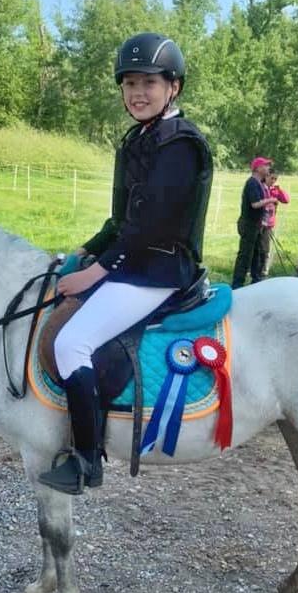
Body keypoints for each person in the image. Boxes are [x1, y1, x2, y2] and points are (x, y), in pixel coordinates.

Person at [38, 32, 213, 495]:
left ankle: (85, 461)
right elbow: (124, 219)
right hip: (137, 263)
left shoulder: (180, 144)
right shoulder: (141, 138)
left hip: (159, 271)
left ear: (173, 86)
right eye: (130, 83)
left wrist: (96, 272)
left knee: (71, 343)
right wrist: (85, 250)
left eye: (149, 83)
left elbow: (153, 224)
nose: (138, 92)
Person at [230, 157, 277, 289]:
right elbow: (255, 204)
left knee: (257, 253)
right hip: (249, 224)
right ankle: (237, 284)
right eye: (266, 165)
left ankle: (256, 281)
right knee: (245, 255)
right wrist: (270, 200)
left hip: (256, 224)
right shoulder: (252, 183)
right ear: (258, 168)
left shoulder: (258, 183)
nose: (268, 168)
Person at [259, 170, 290, 278]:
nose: (273, 180)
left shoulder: (275, 190)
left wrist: (279, 190)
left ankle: (264, 270)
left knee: (266, 248)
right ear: (266, 176)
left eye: (275, 179)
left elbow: (286, 200)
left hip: (269, 223)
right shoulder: (260, 187)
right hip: (258, 222)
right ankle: (251, 268)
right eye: (271, 178)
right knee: (256, 246)